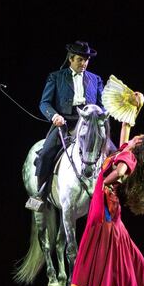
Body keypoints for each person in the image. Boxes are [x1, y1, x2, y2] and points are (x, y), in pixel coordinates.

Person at [70, 120, 144, 286]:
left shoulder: (129, 156)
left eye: (139, 135)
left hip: (106, 204)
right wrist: (131, 112)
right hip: (103, 202)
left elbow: (120, 171)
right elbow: (125, 130)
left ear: (139, 142)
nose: (135, 135)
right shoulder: (126, 150)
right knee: (114, 241)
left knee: (106, 242)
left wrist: (103, 181)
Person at [34, 40, 104, 200]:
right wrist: (54, 115)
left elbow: (103, 104)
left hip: (88, 124)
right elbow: (44, 103)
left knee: (112, 153)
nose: (84, 63)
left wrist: (101, 115)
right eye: (80, 59)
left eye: (86, 60)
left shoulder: (96, 79)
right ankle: (41, 192)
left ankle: (108, 194)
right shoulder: (56, 77)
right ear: (71, 59)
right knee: (45, 154)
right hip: (64, 124)